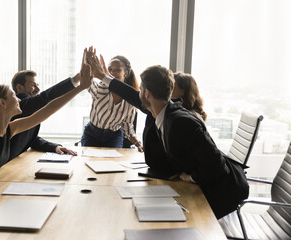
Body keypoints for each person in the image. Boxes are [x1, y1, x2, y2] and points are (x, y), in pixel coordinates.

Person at [86, 47, 248, 219]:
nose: (138, 93)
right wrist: (102, 76)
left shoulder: (180, 122)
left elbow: (216, 165)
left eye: (141, 90)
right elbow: (130, 94)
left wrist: (191, 177)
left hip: (222, 190)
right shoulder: (158, 109)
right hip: (205, 181)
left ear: (147, 93)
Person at [0, 52, 91, 201]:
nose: (19, 99)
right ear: (2, 102)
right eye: (14, 95)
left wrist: (80, 88)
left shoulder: (11, 129)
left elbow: (48, 109)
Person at [9, 70, 79, 160]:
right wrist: (77, 79)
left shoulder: (28, 107)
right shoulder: (23, 104)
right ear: (19, 87)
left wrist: (54, 147)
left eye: (37, 85)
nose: (37, 89)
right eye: (32, 85)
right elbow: (45, 97)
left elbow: (31, 139)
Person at [81, 55, 143, 152]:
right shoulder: (100, 88)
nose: (113, 73)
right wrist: (86, 64)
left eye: (117, 70)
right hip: (92, 134)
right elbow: (86, 82)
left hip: (113, 137)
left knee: (112, 164)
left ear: (125, 73)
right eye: (110, 70)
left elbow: (127, 127)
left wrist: (138, 143)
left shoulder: (130, 99)